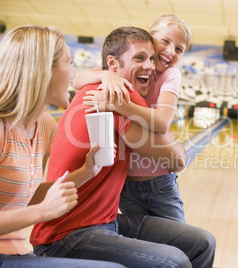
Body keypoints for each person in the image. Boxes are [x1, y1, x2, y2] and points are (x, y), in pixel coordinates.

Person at [30, 26, 216, 268]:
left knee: (203, 242)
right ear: (113, 64)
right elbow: (177, 159)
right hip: (66, 235)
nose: (150, 66)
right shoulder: (117, 94)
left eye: (151, 58)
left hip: (106, 221)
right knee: (175, 262)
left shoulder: (103, 87)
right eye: (139, 58)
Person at [0, 25, 124, 268]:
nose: (73, 73)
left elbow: (25, 196)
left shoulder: (45, 126)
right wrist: (43, 212)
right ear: (44, 70)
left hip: (17, 252)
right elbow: (38, 208)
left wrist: (85, 174)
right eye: (69, 62)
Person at [74, 14, 191, 223]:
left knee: (181, 243)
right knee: (145, 247)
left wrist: (117, 104)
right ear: (150, 37)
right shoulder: (129, 66)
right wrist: (105, 75)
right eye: (165, 41)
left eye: (179, 49)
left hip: (159, 183)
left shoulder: (170, 75)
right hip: (125, 185)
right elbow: (77, 80)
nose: (171, 51)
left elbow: (163, 122)